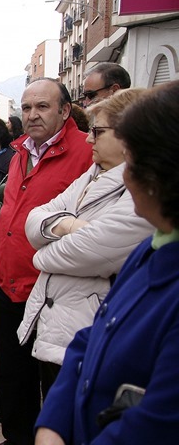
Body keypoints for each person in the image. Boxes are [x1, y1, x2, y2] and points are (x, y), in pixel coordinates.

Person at [35, 80, 179, 445]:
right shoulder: (151, 251)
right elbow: (92, 336)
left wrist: (41, 254)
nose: (124, 174)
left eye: (133, 159)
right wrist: (52, 423)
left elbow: (156, 422)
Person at [18, 89, 153, 397]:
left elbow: (92, 251)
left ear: (130, 135)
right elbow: (34, 219)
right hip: (57, 327)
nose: (90, 139)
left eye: (98, 131)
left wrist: (42, 253)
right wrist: (69, 224)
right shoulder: (93, 174)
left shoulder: (141, 188)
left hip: (89, 333)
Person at [0, 78, 93, 444]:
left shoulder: (87, 152)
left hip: (53, 293)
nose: (32, 115)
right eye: (26, 107)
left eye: (42, 107)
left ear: (65, 110)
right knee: (13, 379)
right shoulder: (20, 151)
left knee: (55, 384)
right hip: (7, 285)